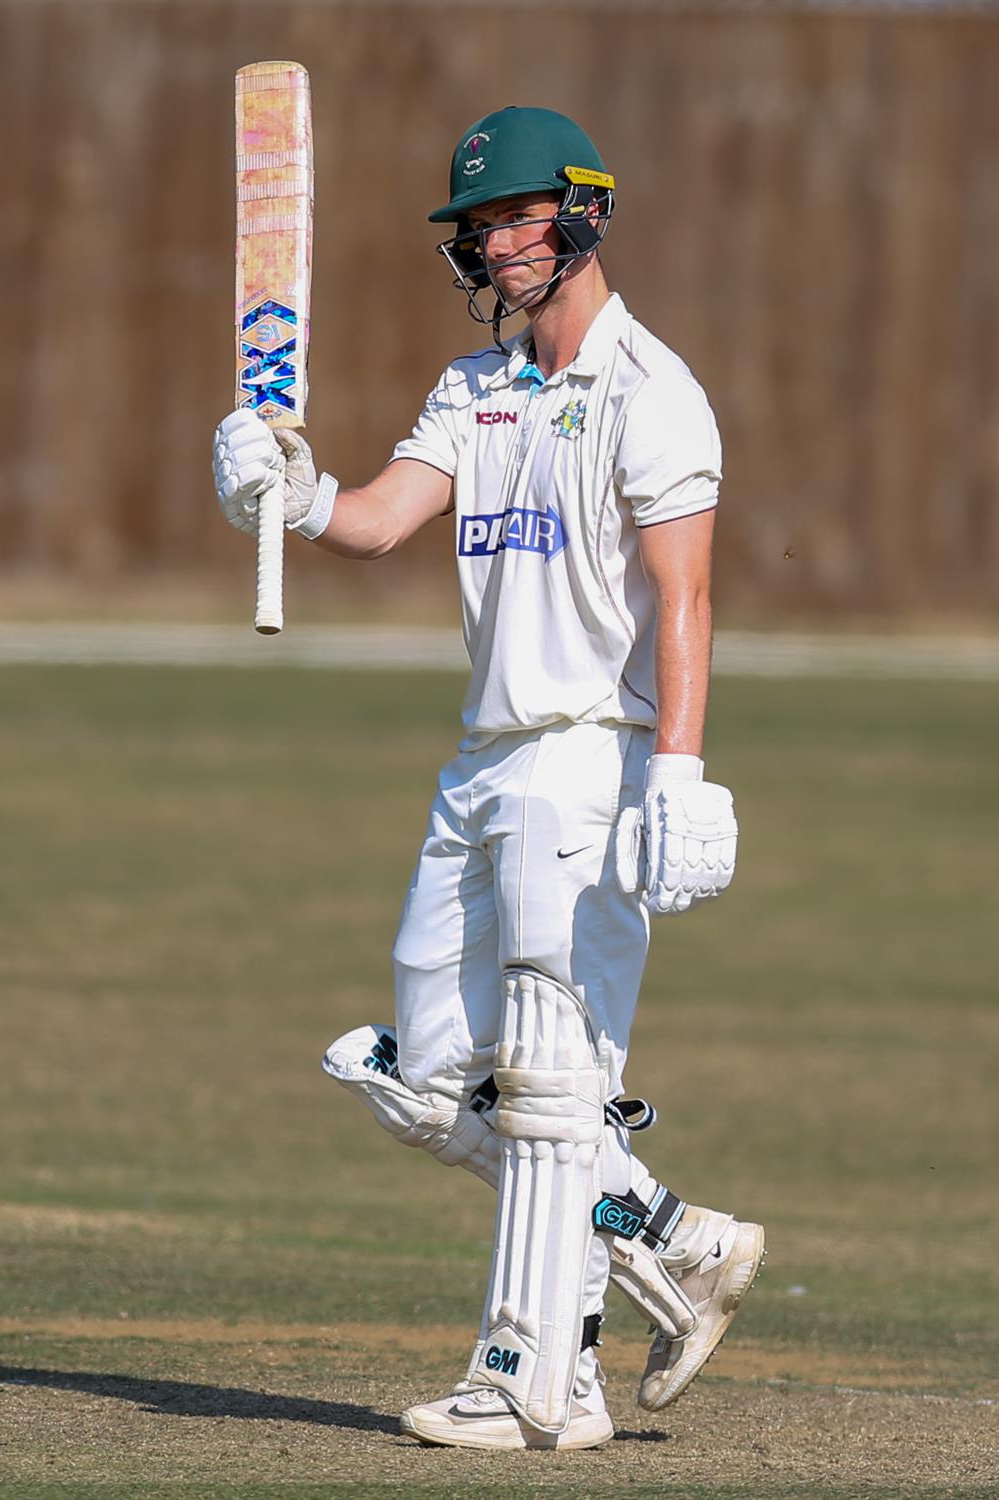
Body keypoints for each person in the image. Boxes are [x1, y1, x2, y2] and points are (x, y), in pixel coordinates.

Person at [211, 106, 763, 1452]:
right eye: (480, 227)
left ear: (583, 215)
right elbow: (380, 518)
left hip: (593, 752)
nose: (496, 245)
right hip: (483, 756)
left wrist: (679, 777)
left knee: (551, 1076)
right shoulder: (479, 388)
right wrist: (289, 491)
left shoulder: (654, 390)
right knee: (421, 1069)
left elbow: (685, 598)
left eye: (519, 218)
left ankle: (533, 1384)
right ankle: (663, 1234)